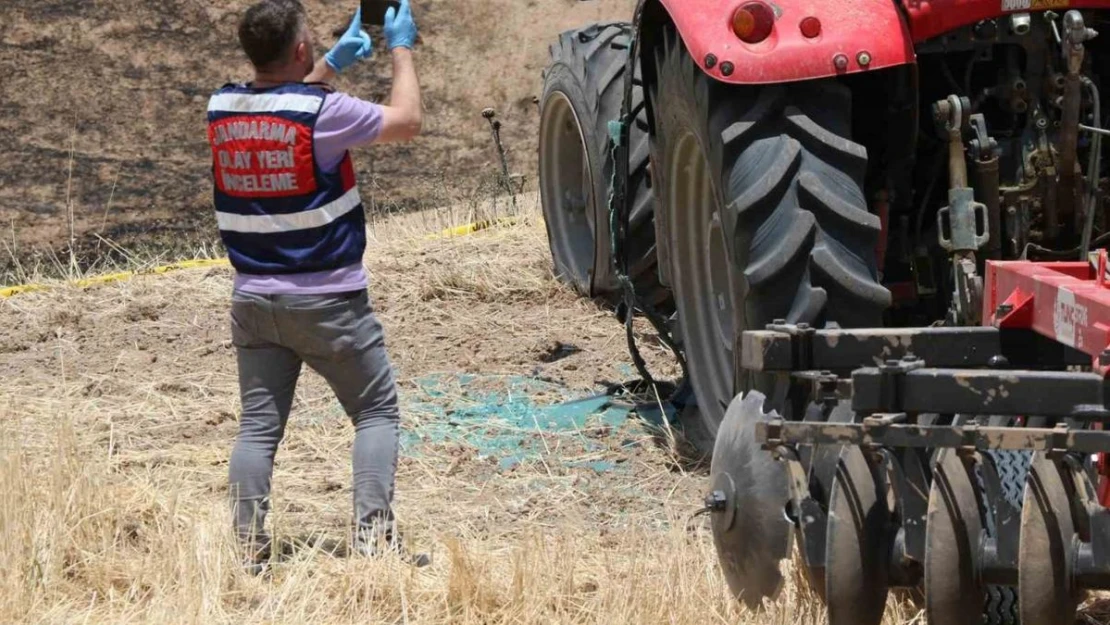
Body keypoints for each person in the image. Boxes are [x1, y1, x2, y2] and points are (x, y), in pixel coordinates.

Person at [205, 0, 424, 571]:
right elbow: (407, 121)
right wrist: (401, 48)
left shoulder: (221, 106)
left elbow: (282, 108)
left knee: (258, 428)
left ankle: (247, 550)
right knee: (376, 413)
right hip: (329, 300)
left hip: (252, 299)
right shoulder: (324, 113)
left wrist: (330, 62)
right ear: (299, 48)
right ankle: (374, 543)